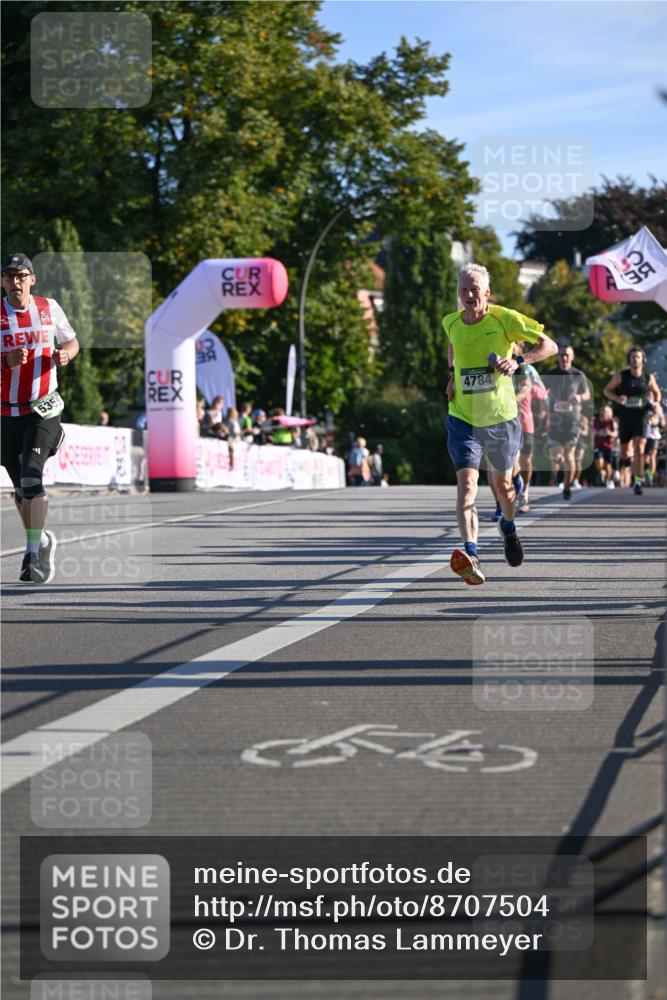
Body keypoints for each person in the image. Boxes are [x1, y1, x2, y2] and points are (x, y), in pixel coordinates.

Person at [444, 263, 557, 585]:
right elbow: (454, 348)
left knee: (503, 487)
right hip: (463, 416)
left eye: (474, 290)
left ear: (487, 293)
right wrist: (452, 376)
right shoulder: (450, 322)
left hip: (501, 419)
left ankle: (508, 527)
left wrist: (519, 360)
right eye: (464, 289)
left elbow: (550, 346)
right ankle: (471, 554)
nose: (468, 295)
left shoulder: (504, 318)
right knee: (466, 485)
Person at [1, 251, 80, 583]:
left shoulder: (49, 308)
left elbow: (73, 341)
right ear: (2, 281)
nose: (16, 281)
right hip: (5, 412)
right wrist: (5, 361)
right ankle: (42, 540)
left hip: (43, 408)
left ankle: (32, 553)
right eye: (9, 276)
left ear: (32, 279)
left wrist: (66, 354)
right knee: (21, 489)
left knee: (33, 477)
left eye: (22, 276)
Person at [603, 347, 661, 496]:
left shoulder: (648, 378)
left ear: (643, 360)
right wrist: (617, 398)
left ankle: (637, 481)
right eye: (633, 357)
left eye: (638, 357)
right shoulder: (621, 376)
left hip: (642, 416)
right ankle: (628, 462)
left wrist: (656, 405)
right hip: (625, 417)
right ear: (629, 360)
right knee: (624, 452)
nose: (635, 359)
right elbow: (607, 390)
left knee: (640, 448)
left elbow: (657, 393)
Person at [544, 344, 590, 502]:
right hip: (556, 420)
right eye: (561, 355)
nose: (564, 358)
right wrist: (545, 399)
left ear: (572, 357)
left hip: (572, 420)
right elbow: (542, 391)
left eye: (567, 355)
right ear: (557, 357)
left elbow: (587, 394)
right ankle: (562, 473)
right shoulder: (551, 375)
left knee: (569, 453)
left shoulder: (578, 375)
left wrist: (579, 398)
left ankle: (567, 487)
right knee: (557, 455)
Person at [593, 404, 619, 487]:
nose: (603, 412)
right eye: (602, 410)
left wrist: (610, 433)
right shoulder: (596, 421)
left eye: (605, 411)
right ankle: (601, 472)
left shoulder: (611, 422)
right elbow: (592, 432)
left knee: (608, 465)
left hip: (609, 447)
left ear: (609, 413)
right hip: (598, 446)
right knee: (599, 463)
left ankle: (608, 481)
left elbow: (616, 433)